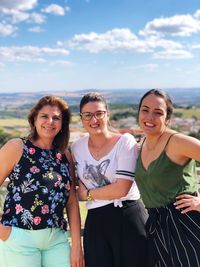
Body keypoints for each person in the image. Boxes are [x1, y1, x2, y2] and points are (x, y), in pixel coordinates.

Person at [0, 95, 84, 267]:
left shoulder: (64, 156)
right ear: (34, 119)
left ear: (62, 125)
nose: (50, 121)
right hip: (19, 237)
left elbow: (72, 202)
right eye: (44, 116)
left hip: (57, 239)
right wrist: (3, 232)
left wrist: (76, 246)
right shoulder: (17, 147)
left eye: (56, 118)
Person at [71, 92, 148, 267]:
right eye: (87, 115)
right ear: (81, 118)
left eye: (99, 113)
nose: (94, 120)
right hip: (96, 222)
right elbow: (75, 188)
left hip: (128, 218)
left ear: (107, 114)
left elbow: (122, 189)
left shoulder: (125, 142)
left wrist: (88, 194)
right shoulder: (76, 148)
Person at [135, 89, 200, 267]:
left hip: (186, 223)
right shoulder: (142, 144)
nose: (150, 117)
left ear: (167, 119)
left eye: (158, 113)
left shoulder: (177, 142)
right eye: (145, 110)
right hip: (157, 228)